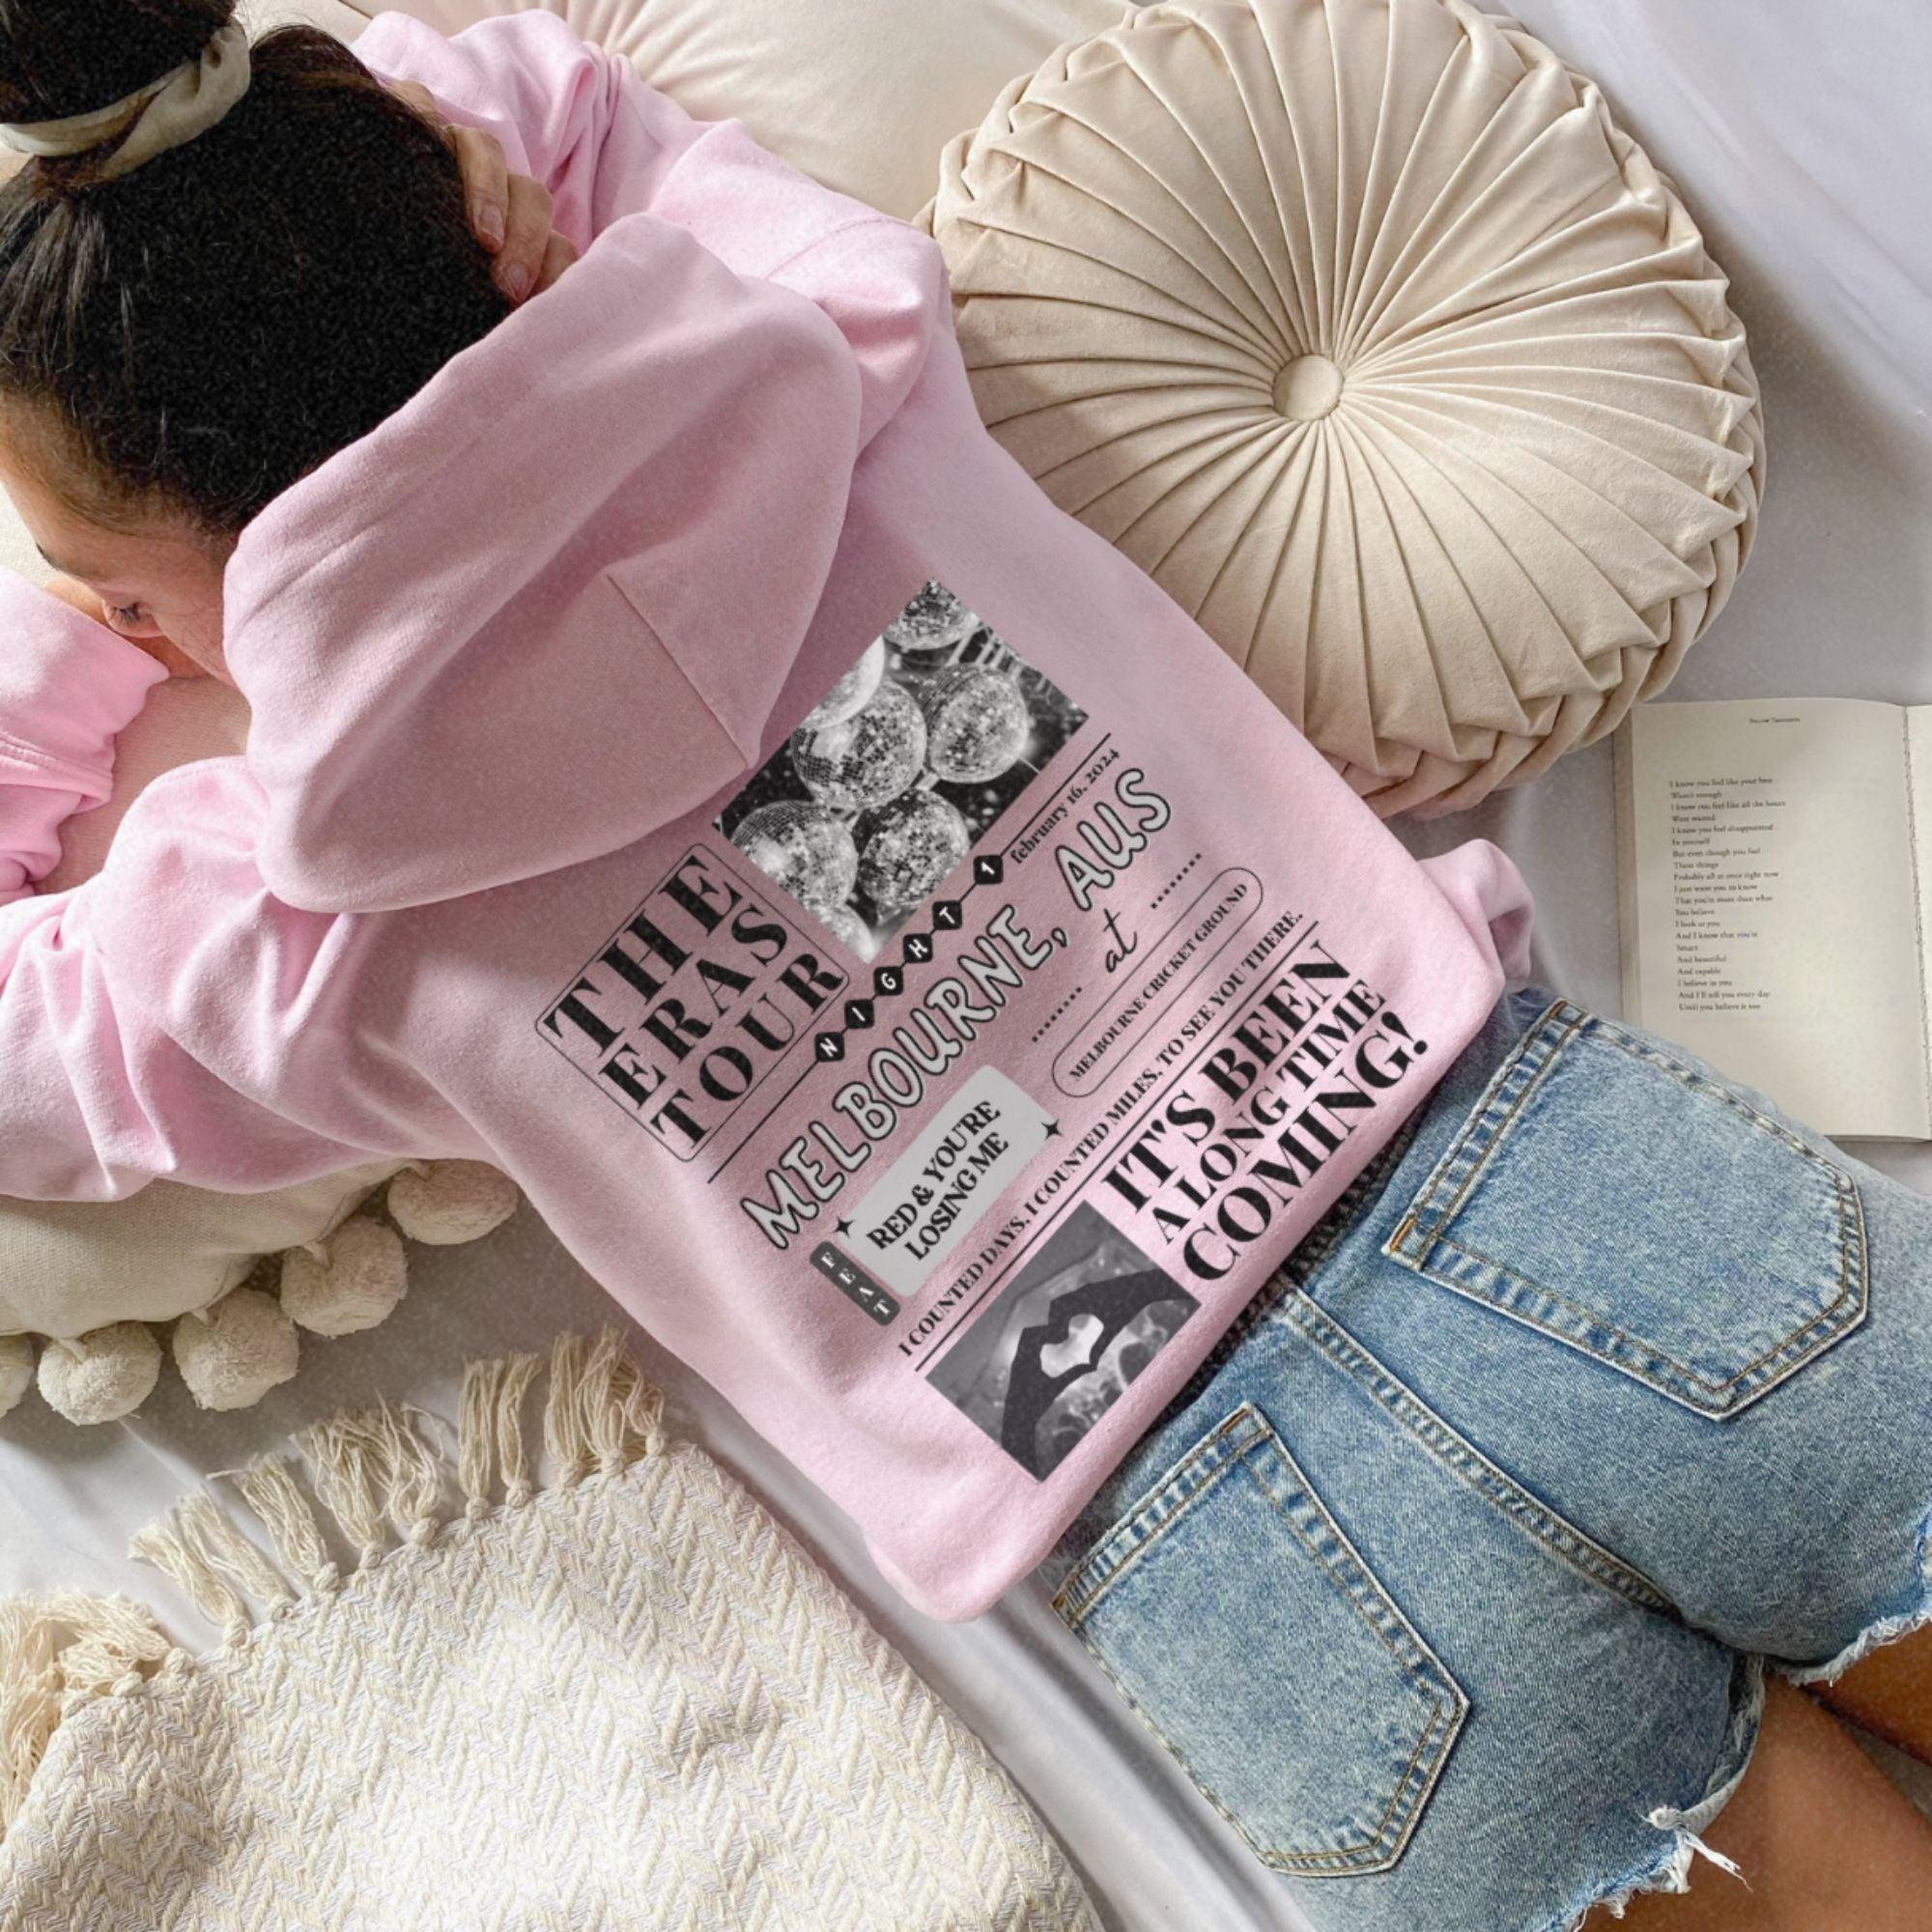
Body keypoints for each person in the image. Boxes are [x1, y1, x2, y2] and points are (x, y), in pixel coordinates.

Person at [0, 5, 1925, 1927]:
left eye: (119, 586)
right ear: (492, 234)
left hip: (1181, 1510)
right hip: (1530, 1169)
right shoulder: (823, 354)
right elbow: (553, 105)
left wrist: (105, 633)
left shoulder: (284, 926)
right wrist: (333, 244)